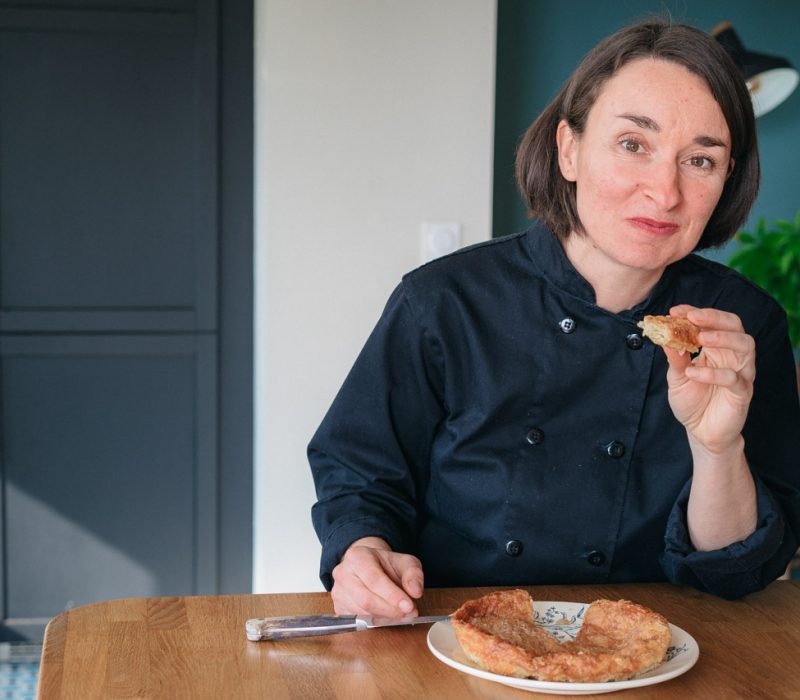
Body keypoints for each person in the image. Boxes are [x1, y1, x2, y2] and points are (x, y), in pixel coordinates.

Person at [308, 19, 800, 618]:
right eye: (633, 144)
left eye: (700, 160)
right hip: (457, 637)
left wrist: (716, 447)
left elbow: (738, 574)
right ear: (569, 149)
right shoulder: (443, 301)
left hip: (657, 649)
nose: (665, 192)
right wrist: (363, 551)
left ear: (727, 180)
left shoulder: (742, 327)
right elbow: (360, 475)